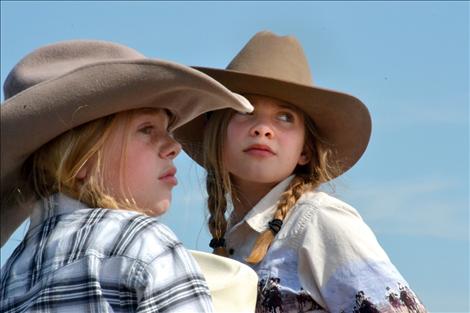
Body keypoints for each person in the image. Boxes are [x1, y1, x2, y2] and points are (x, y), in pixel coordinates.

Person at [176, 31, 427, 312]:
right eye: (245, 110)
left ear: (305, 151)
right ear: (215, 136)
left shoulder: (319, 221)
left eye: (285, 117)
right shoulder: (233, 243)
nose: (263, 128)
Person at [0, 39, 254, 312]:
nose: (174, 146)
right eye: (147, 129)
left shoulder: (11, 274)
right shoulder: (142, 241)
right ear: (81, 159)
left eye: (168, 130)